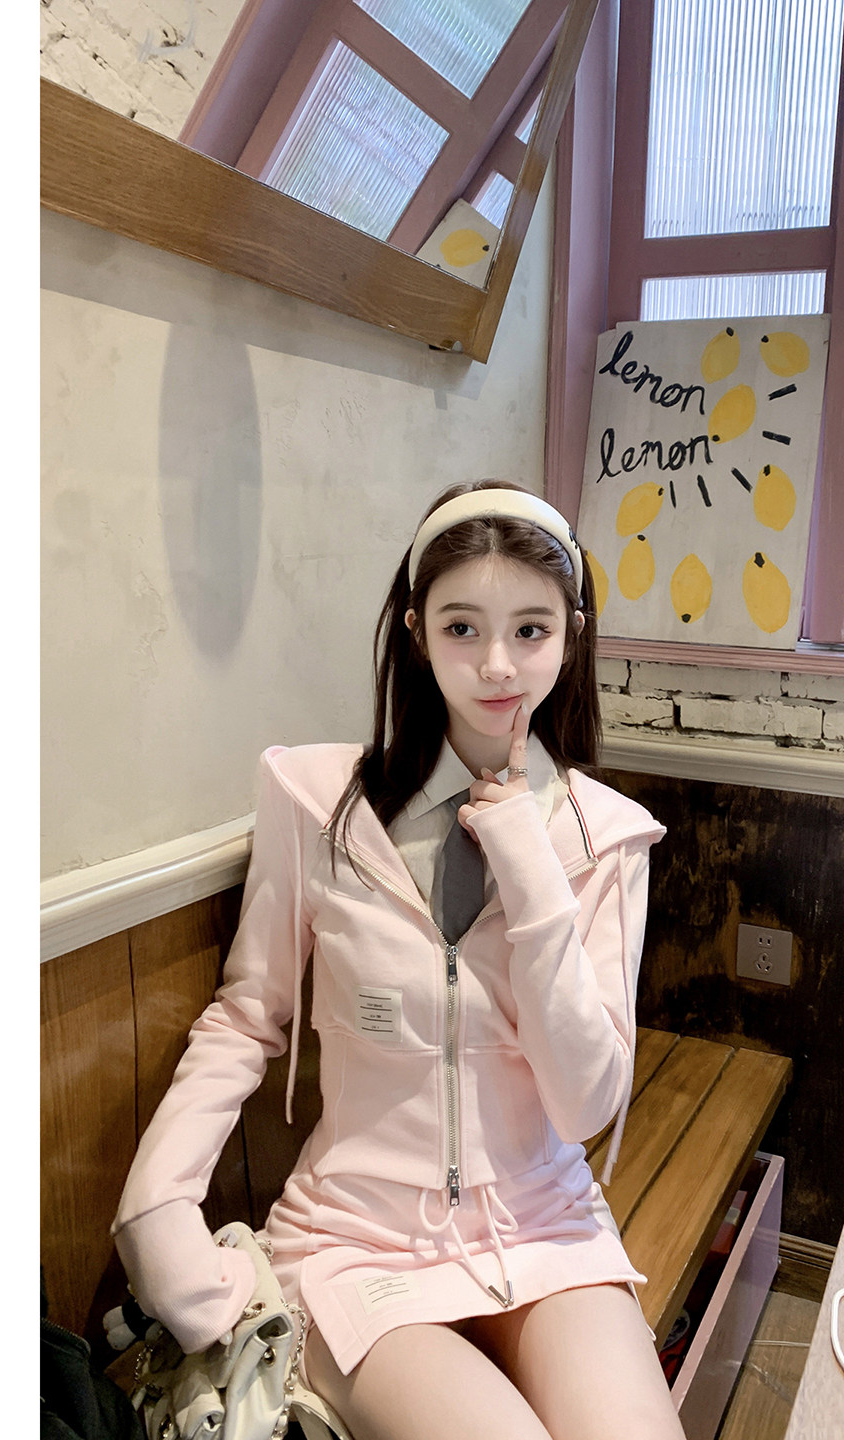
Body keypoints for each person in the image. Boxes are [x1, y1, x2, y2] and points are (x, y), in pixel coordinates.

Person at [110, 482, 684, 1440]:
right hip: (356, 1240)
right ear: (417, 630)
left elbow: (586, 1103)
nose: (497, 664)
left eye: (531, 630)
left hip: (546, 1228)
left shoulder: (608, 839)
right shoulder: (315, 801)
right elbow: (248, 1015)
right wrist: (156, 1203)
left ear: (572, 636)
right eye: (462, 627)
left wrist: (529, 862)